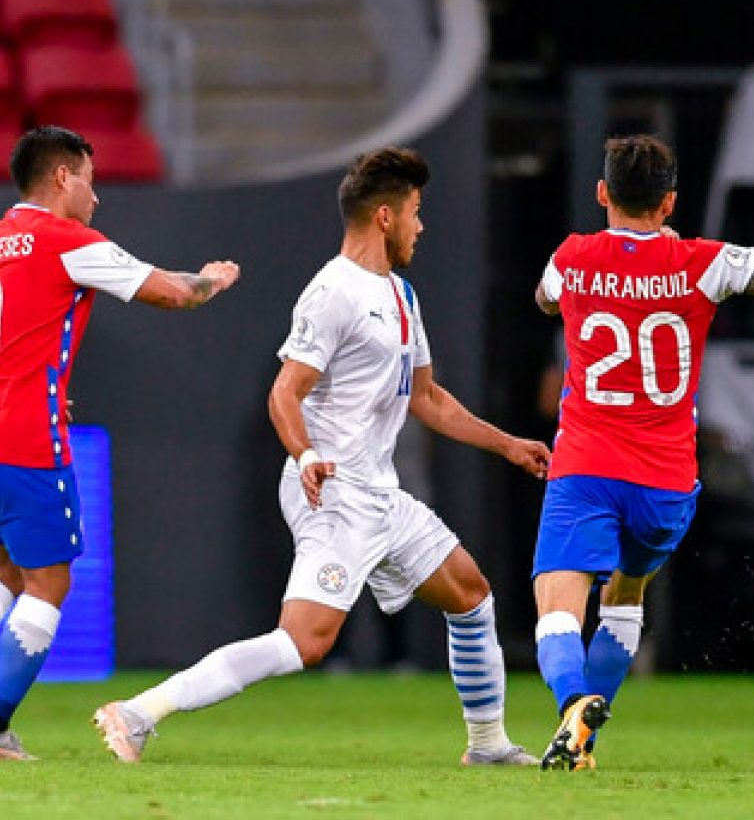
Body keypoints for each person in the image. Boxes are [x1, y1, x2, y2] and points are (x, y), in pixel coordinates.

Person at [94, 146, 550, 766]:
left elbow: (429, 397)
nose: (422, 225)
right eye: (415, 212)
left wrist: (507, 443)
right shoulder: (331, 292)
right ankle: (140, 712)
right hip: (330, 489)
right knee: (302, 643)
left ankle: (489, 745)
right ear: (384, 217)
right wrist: (306, 454)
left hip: (380, 493)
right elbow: (285, 391)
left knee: (470, 593)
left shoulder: (402, 295)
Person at [0, 124, 240, 761]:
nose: (96, 195)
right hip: (18, 435)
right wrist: (210, 280)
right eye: (89, 178)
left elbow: (18, 336)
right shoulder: (68, 240)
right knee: (50, 583)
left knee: (3, 570)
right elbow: (172, 293)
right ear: (62, 177)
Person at [531, 134, 754, 771]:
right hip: (666, 481)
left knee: (557, 604)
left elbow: (546, 297)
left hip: (585, 468)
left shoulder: (573, 256)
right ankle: (583, 741)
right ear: (669, 202)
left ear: (603, 192)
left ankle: (572, 701)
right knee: (626, 595)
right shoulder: (704, 261)